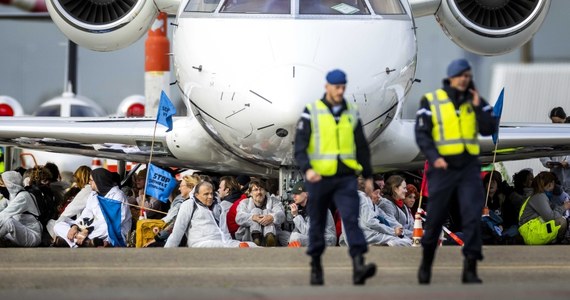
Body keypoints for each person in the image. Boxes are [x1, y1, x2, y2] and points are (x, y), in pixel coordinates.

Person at [414, 58, 497, 284]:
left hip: (468, 168)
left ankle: (469, 270)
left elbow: (490, 127)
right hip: (443, 169)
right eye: (460, 75)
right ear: (451, 77)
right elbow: (422, 134)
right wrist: (434, 157)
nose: (464, 79)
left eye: (467, 76)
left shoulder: (475, 100)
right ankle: (426, 265)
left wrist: (479, 104)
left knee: (472, 219)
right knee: (436, 219)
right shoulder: (432, 101)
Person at [294, 69, 376, 286]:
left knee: (351, 219)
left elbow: (361, 146)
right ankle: (316, 267)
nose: (340, 91)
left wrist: (368, 176)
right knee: (318, 223)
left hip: (345, 177)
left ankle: (359, 265)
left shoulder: (351, 112)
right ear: (327, 87)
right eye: (336, 87)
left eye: (343, 87)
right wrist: (307, 169)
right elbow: (300, 147)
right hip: (319, 178)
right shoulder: (311, 112)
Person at [53, 168, 131, 247]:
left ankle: (75, 242)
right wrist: (75, 227)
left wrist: (87, 230)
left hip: (111, 228)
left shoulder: (117, 196)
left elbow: (111, 221)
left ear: (99, 181)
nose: (89, 182)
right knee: (58, 225)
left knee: (107, 229)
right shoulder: (93, 195)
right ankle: (87, 243)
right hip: (91, 228)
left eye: (91, 180)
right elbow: (86, 215)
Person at [164, 181, 255, 248]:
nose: (210, 197)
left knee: (251, 245)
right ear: (196, 195)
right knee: (237, 247)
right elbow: (177, 232)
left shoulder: (219, 207)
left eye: (211, 193)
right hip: (201, 244)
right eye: (206, 194)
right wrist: (167, 254)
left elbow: (225, 232)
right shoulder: (188, 205)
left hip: (222, 242)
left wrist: (235, 244)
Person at [518, 172, 570, 245]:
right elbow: (550, 217)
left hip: (533, 228)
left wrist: (561, 207)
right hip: (532, 232)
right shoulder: (539, 196)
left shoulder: (536, 195)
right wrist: (564, 207)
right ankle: (558, 244)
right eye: (553, 184)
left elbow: (550, 208)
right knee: (561, 222)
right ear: (550, 184)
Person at [235, 179, 285, 246]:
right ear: (250, 193)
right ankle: (256, 238)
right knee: (255, 211)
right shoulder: (244, 203)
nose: (259, 192)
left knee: (267, 212)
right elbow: (239, 217)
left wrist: (272, 217)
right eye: (255, 190)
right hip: (249, 237)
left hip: (274, 237)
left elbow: (281, 214)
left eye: (261, 189)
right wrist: (253, 217)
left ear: (265, 191)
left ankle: (269, 237)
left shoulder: (274, 201)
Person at [0, 171, 42, 247]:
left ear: (10, 184)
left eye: (2, 183)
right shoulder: (10, 196)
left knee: (8, 222)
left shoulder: (23, 196)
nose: (0, 186)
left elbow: (3, 215)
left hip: (32, 236)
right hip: (19, 233)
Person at [288, 181, 336, 247]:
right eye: (293, 194)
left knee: (295, 237)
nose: (294, 196)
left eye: (297, 193)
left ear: (306, 194)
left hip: (327, 240)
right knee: (285, 236)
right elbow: (298, 230)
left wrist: (295, 215)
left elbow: (309, 232)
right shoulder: (304, 208)